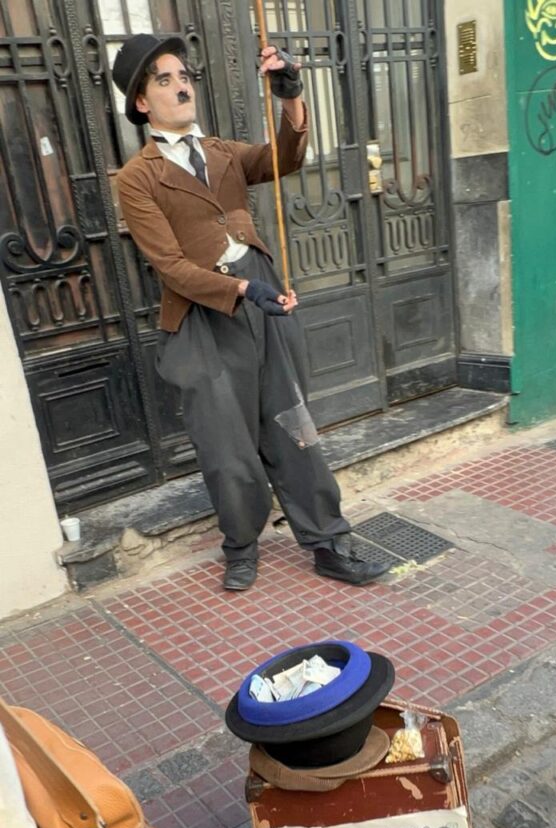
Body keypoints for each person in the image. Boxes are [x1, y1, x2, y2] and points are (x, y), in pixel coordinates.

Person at [112, 34, 389, 591]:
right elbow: (168, 265)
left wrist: (290, 95)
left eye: (183, 75)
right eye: (163, 79)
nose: (181, 85)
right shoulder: (136, 178)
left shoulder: (223, 152)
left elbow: (286, 158)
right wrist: (239, 289)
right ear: (142, 103)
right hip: (199, 316)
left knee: (292, 423)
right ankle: (241, 545)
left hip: (262, 296)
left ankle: (329, 541)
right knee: (226, 444)